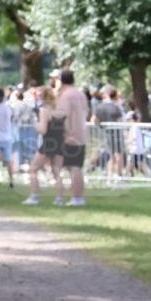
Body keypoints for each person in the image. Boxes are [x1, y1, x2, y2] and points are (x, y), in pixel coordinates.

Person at [21, 87, 66, 205]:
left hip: (48, 143)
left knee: (33, 169)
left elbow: (43, 130)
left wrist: (34, 123)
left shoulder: (44, 110)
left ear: (42, 97)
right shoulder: (60, 111)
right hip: (60, 142)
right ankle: (59, 199)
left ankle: (34, 197)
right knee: (56, 172)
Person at [56, 69, 90, 206]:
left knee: (73, 167)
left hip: (70, 135)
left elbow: (63, 115)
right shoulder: (81, 94)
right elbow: (86, 112)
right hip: (81, 133)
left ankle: (77, 197)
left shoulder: (66, 96)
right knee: (77, 167)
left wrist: (66, 133)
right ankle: (79, 197)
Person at [93, 85, 125, 184]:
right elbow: (121, 120)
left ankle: (109, 178)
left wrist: (101, 127)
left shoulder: (99, 107)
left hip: (107, 133)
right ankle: (119, 176)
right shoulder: (116, 107)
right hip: (117, 133)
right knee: (118, 155)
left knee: (111, 156)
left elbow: (94, 120)